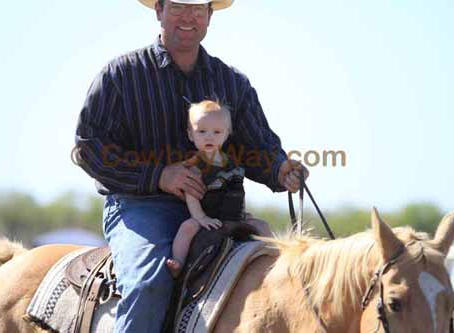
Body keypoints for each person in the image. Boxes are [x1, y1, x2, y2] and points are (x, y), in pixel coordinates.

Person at [74, 0, 309, 331]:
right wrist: (158, 175)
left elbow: (257, 148)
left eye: (198, 8)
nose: (189, 16)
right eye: (178, 6)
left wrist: (280, 169)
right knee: (147, 284)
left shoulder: (232, 83)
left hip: (221, 211)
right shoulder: (121, 76)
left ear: (210, 16)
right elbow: (89, 148)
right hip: (142, 208)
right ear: (159, 10)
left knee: (283, 277)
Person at [166, 100, 270, 277]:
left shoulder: (233, 163)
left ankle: (274, 258)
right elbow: (192, 194)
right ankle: (178, 262)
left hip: (232, 216)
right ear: (191, 135)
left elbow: (237, 191)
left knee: (262, 225)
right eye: (202, 131)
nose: (209, 137)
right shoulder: (194, 165)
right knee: (187, 228)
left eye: (216, 132)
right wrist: (200, 217)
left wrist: (242, 213)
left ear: (226, 134)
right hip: (206, 215)